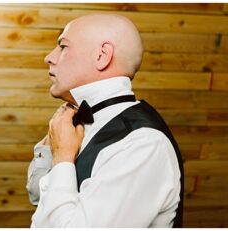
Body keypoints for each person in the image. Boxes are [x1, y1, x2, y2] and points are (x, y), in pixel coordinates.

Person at [24, 14, 184, 228]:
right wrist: (50, 149)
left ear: (102, 56)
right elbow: (39, 197)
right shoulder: (73, 120)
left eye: (63, 46)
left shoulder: (143, 144)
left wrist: (63, 157)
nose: (49, 57)